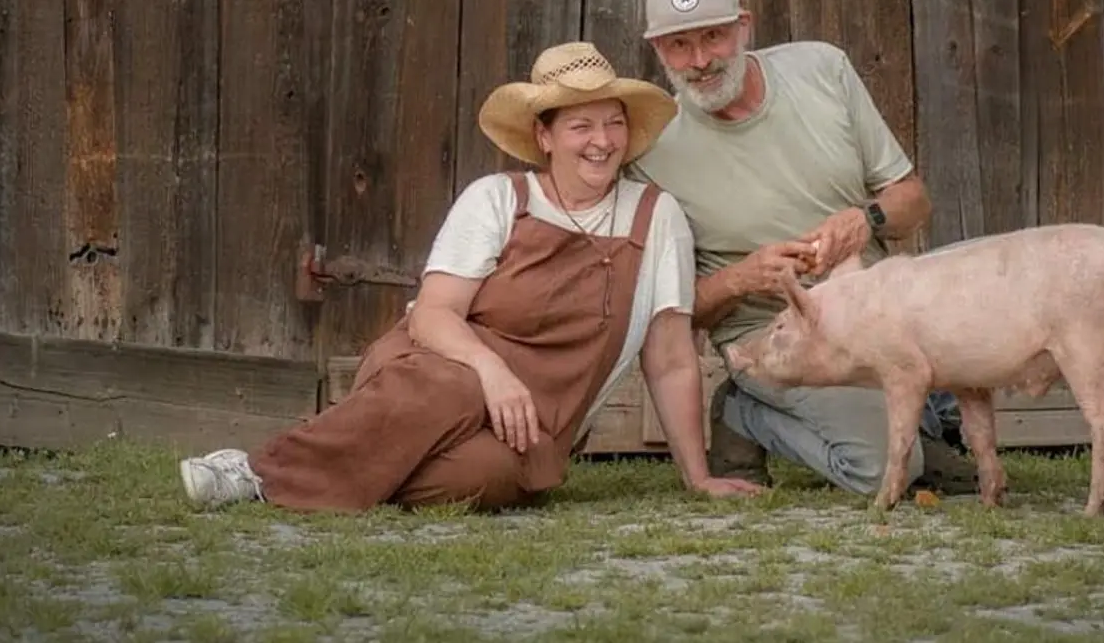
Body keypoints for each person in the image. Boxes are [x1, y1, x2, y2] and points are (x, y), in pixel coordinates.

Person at [178, 41, 765, 512]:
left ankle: (357, 461)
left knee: (491, 475)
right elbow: (433, 314)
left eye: (612, 124)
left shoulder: (655, 215)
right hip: (438, 370)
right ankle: (257, 474)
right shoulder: (498, 198)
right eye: (580, 126)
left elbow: (668, 358)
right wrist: (491, 371)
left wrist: (697, 476)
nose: (602, 141)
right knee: (449, 388)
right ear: (545, 135)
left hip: (530, 426)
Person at [624, 0, 978, 498]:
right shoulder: (650, 151)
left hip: (876, 308)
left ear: (744, 25)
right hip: (769, 335)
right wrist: (742, 279)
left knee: (991, 289)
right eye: (678, 46)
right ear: (657, 50)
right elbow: (667, 314)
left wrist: (866, 220)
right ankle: (745, 412)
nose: (698, 61)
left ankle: (923, 420)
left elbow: (913, 202)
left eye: (714, 37)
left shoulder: (821, 68)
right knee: (886, 471)